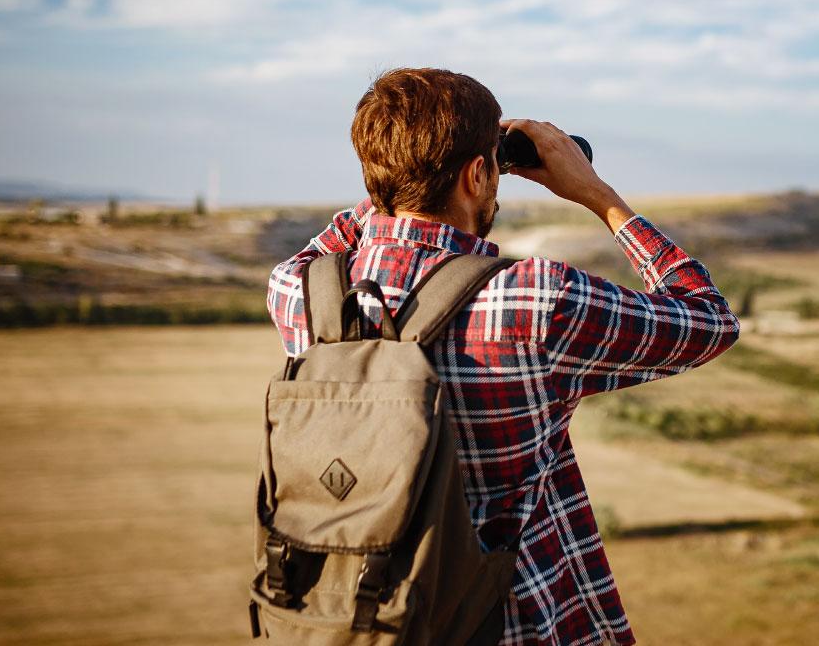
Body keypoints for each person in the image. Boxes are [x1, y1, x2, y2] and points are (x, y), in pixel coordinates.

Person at [266, 68, 740, 646]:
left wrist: (401, 170)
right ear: (478, 173)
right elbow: (710, 320)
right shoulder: (534, 301)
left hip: (363, 617)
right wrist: (597, 194)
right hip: (513, 626)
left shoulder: (301, 295)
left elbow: (343, 233)